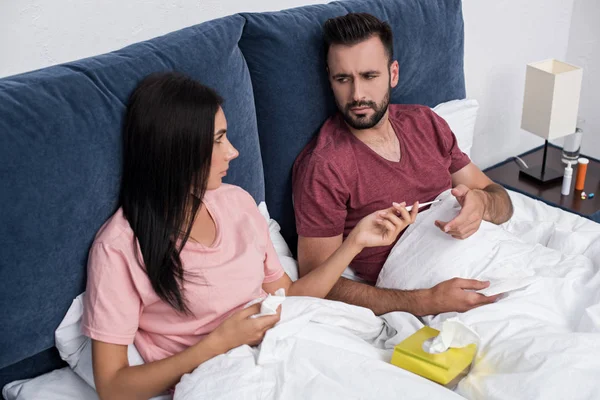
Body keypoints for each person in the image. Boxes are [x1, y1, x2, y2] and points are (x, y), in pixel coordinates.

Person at [81, 72, 415, 400]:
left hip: (287, 341)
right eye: (217, 140)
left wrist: (355, 241)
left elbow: (288, 295)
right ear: (175, 149)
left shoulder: (237, 203)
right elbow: (113, 387)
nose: (233, 151)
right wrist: (216, 344)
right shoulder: (119, 247)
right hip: (222, 374)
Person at [292, 13, 514, 317]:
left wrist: (481, 203)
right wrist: (425, 302)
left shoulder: (426, 123)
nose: (357, 95)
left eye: (369, 76)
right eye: (343, 79)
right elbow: (318, 284)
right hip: (427, 297)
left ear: (393, 74)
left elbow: (501, 200)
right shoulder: (324, 165)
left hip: (496, 262)